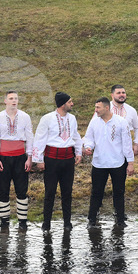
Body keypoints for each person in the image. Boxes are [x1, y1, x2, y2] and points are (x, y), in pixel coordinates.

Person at [32, 92, 83, 233]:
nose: (72, 104)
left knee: (67, 192)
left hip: (68, 160)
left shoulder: (72, 118)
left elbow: (75, 135)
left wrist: (78, 152)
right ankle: (46, 224)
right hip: (52, 160)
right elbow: (39, 138)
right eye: (70, 101)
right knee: (50, 192)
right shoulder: (47, 119)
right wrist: (39, 160)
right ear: (62, 104)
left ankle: (67, 223)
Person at [83, 96, 135, 230]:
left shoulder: (121, 122)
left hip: (117, 163)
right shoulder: (94, 122)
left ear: (107, 108)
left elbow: (127, 143)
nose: (96, 110)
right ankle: (92, 219)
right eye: (95, 107)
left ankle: (120, 219)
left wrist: (130, 162)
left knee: (119, 192)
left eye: (98, 107)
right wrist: (88, 147)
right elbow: (89, 138)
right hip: (99, 163)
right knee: (96, 192)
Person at [0, 91, 34, 230]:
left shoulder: (25, 117)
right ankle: (4, 221)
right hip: (3, 157)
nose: (14, 101)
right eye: (11, 98)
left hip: (20, 158)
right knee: (3, 189)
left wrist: (30, 157)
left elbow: (30, 137)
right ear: (5, 101)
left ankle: (22, 221)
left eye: (15, 98)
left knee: (22, 189)